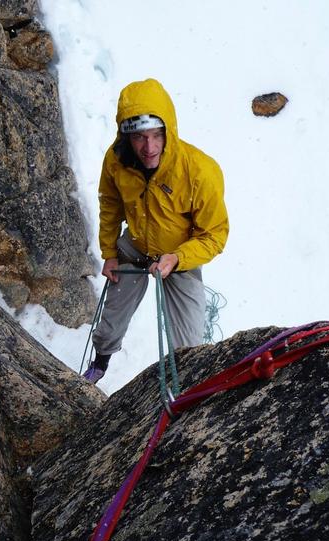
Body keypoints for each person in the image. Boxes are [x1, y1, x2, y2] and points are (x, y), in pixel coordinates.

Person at [83, 78, 229, 384]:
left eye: (156, 135)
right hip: (135, 248)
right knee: (110, 321)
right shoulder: (116, 161)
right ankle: (101, 362)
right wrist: (110, 254)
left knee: (189, 344)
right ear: (126, 136)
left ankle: (185, 383)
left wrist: (177, 258)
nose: (149, 148)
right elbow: (110, 206)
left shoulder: (198, 171)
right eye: (139, 138)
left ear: (168, 131)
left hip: (178, 257)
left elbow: (214, 234)